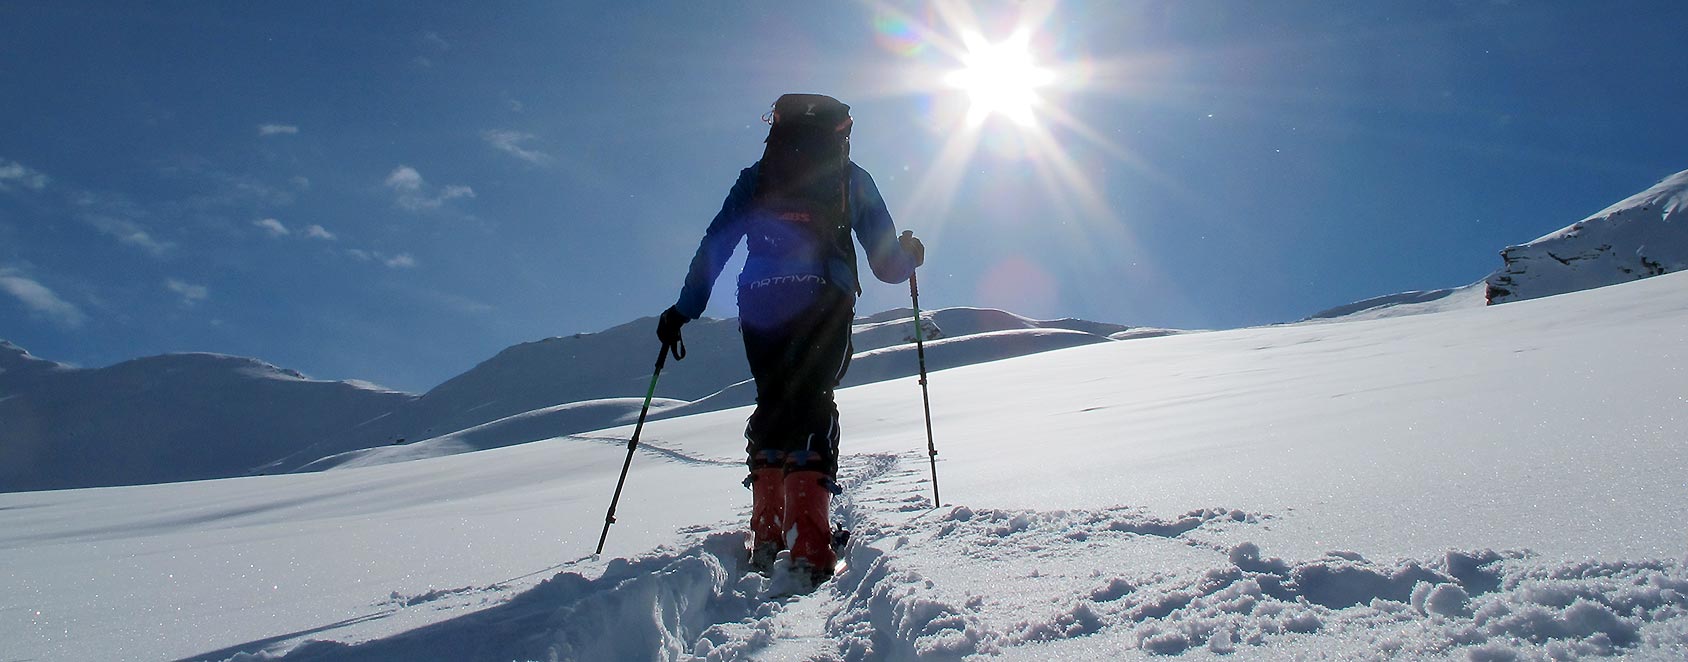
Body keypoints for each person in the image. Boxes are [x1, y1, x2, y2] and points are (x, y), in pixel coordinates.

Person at [657, 93, 925, 584]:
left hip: (760, 298)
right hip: (824, 291)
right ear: (841, 133)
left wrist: (683, 310)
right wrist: (909, 256)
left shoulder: (757, 177)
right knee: (812, 402)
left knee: (775, 402)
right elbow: (887, 265)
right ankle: (810, 541)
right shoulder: (850, 177)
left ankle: (767, 534)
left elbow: (716, 244)